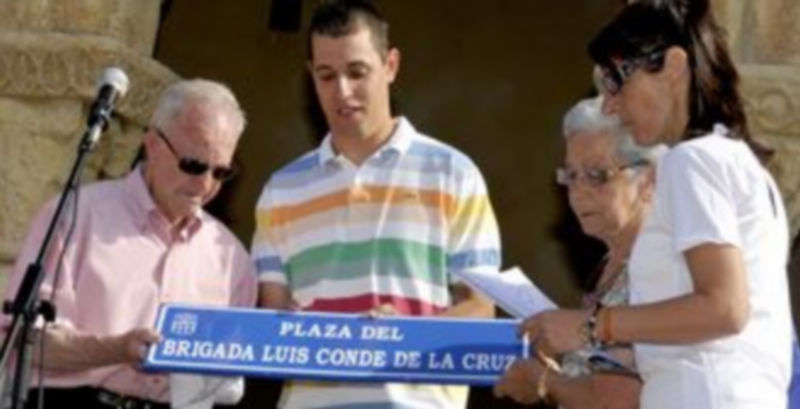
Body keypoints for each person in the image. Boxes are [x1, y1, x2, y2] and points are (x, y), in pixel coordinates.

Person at [520, 1, 793, 408]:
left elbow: (724, 308)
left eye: (616, 80)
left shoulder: (693, 160)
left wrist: (590, 327)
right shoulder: (729, 158)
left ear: (673, 65)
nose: (609, 104)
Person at [251, 0, 501, 407]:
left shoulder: (455, 174)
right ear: (310, 76)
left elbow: (479, 309)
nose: (342, 91)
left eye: (357, 72)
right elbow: (271, 323)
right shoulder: (281, 190)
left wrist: (400, 339)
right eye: (326, 75)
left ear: (391, 65)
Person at [3, 79, 257, 408]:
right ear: (152, 144)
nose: (204, 184)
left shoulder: (232, 260)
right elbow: (26, 342)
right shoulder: (75, 215)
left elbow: (227, 383)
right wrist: (116, 349)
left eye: (220, 172)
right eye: (193, 165)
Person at [494, 96, 664, 408]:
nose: (579, 191)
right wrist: (561, 372)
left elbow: (616, 402)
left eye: (597, 175)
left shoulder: (653, 268)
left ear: (647, 180)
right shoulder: (611, 263)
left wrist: (543, 382)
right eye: (571, 176)